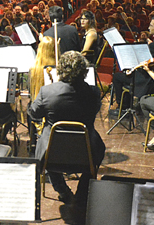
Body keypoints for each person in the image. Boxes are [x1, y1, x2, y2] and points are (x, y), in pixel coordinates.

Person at [29, 51, 105, 210]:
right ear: (84, 71)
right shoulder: (93, 92)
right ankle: (82, 195)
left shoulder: (47, 91)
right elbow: (94, 111)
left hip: (52, 154)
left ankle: (63, 191)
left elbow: (33, 113)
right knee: (96, 155)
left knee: (45, 143)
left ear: (60, 70)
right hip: (87, 153)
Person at [112, 15, 154, 108]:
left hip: (148, 80)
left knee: (117, 77)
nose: (148, 27)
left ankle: (123, 107)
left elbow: (141, 61)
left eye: (151, 25)